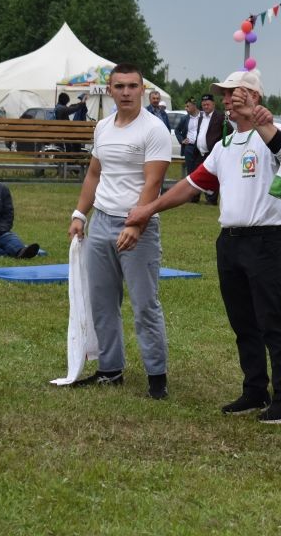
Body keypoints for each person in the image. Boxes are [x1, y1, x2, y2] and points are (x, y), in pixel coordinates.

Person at [127, 69, 281, 423]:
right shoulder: (224, 146)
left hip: (264, 239)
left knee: (271, 319)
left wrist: (259, 119)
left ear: (254, 97)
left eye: (233, 94)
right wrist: (150, 208)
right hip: (230, 241)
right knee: (242, 321)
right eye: (224, 95)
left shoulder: (274, 134)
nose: (226, 100)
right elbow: (191, 185)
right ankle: (255, 390)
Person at [67, 63, 171, 399]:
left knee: (144, 305)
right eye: (119, 86)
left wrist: (135, 225)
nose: (125, 92)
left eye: (132, 86)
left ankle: (157, 377)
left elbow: (153, 182)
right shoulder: (102, 128)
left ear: (142, 89)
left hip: (137, 225)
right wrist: (79, 214)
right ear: (109, 90)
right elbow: (94, 175)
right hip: (100, 222)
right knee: (101, 302)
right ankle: (110, 370)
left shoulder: (154, 130)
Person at [196, 93, 232, 205]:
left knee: (212, 176)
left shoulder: (220, 116)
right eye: (203, 105)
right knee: (198, 174)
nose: (205, 106)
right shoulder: (201, 117)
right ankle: (194, 197)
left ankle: (211, 200)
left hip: (212, 152)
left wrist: (220, 144)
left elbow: (229, 131)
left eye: (207, 104)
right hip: (200, 152)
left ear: (213, 104)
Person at [174, 97, 203, 187]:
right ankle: (192, 195)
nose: (185, 109)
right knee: (190, 171)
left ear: (194, 106)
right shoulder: (185, 119)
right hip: (189, 148)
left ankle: (201, 191)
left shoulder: (203, 117)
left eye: (187, 106)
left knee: (201, 170)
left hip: (200, 148)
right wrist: (182, 140)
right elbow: (177, 130)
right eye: (185, 106)